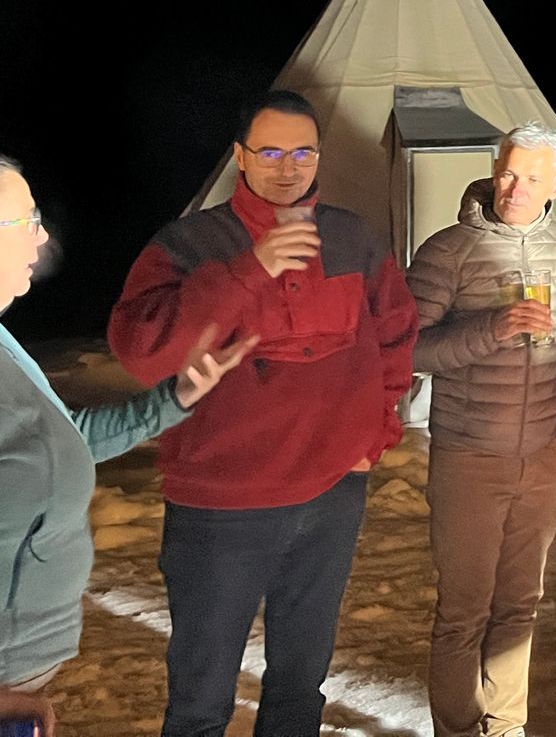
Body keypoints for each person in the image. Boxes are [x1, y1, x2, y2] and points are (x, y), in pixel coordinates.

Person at [108, 90, 419, 737]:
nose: (288, 166)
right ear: (241, 156)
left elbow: (396, 334)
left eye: (303, 151)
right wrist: (248, 271)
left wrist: (375, 434)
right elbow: (142, 353)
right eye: (271, 151)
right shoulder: (191, 244)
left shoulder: (352, 236)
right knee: (202, 692)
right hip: (222, 503)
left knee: (300, 684)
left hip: (332, 493)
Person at [0, 145, 250, 732]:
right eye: (26, 221)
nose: (41, 238)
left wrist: (175, 398)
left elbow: (58, 442)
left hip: (3, 678)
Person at [406, 123, 556, 737]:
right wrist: (491, 329)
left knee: (520, 606)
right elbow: (405, 350)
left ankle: (506, 727)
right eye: (509, 172)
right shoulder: (447, 251)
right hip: (468, 455)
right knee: (463, 613)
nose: (515, 188)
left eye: (533, 178)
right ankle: (458, 729)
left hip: (543, 455)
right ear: (494, 168)